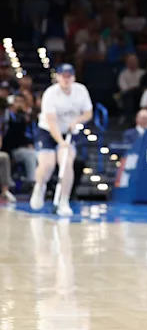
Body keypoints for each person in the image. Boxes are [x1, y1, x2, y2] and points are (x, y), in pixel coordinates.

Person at [29, 64, 92, 216]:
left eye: (69, 76)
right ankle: (39, 187)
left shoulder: (81, 91)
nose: (66, 79)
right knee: (48, 165)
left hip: (70, 131)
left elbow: (88, 113)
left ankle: (64, 200)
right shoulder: (50, 94)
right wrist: (61, 142)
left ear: (73, 77)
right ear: (57, 77)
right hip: (48, 131)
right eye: (63, 76)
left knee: (66, 162)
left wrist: (78, 120)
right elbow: (51, 121)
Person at [2, 91, 38, 187]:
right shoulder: (7, 116)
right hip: (11, 149)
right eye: (17, 101)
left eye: (22, 101)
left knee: (37, 153)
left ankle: (41, 182)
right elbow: (12, 135)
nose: (20, 104)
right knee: (30, 154)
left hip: (22, 147)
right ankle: (32, 182)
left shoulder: (22, 116)